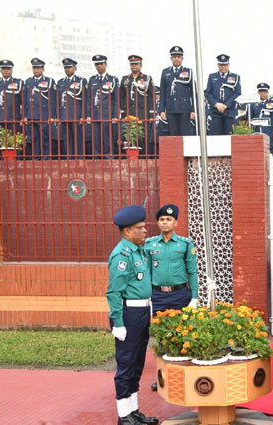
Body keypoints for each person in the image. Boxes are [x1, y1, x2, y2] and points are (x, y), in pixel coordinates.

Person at [106, 205, 158, 425]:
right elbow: (114, 291)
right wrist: (117, 322)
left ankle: (134, 411)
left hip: (142, 312)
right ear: (127, 232)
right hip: (129, 314)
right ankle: (124, 415)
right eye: (140, 228)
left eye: (144, 226)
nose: (145, 231)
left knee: (137, 363)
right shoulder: (121, 255)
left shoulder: (138, 250)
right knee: (126, 363)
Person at [145, 204, 198, 391]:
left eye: (168, 219)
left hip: (179, 295)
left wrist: (195, 297)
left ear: (175, 222)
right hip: (158, 295)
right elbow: (147, 272)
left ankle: (184, 376)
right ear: (158, 223)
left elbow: (192, 272)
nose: (165, 222)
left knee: (183, 334)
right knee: (161, 337)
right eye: (161, 219)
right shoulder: (150, 244)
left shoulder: (185, 244)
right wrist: (148, 296)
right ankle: (163, 377)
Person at [120, 55, 156, 156]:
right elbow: (121, 97)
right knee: (130, 136)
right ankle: (131, 157)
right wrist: (122, 112)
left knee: (143, 136)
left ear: (141, 65)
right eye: (132, 64)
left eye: (136, 64)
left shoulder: (146, 78)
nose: (134, 66)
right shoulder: (125, 79)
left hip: (142, 112)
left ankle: (144, 157)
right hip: (129, 112)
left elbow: (151, 96)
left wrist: (151, 113)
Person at [23, 58, 57, 159]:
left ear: (43, 69)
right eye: (34, 68)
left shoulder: (49, 81)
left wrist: (52, 115)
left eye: (38, 68)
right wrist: (25, 115)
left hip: (44, 114)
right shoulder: (28, 81)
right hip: (31, 114)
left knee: (45, 138)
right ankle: (36, 157)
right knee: (34, 138)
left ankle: (46, 158)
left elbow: (53, 99)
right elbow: (25, 100)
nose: (36, 70)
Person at [158, 46, 195, 137]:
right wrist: (162, 110)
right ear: (171, 58)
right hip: (171, 109)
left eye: (179, 57)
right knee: (173, 135)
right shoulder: (165, 72)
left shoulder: (188, 72)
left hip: (184, 109)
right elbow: (162, 93)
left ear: (182, 58)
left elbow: (194, 93)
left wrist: (194, 110)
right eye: (174, 57)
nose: (176, 59)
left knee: (184, 135)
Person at [88, 54, 120, 157]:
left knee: (107, 137)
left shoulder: (112, 79)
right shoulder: (92, 80)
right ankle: (96, 157)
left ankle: (108, 156)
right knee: (96, 137)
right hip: (95, 113)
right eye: (97, 64)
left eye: (101, 64)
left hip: (107, 113)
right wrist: (88, 114)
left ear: (106, 64)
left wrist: (115, 115)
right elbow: (89, 99)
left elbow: (116, 99)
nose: (99, 66)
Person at [57, 58, 88, 158]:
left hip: (76, 115)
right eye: (66, 68)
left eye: (69, 67)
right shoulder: (61, 82)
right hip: (64, 115)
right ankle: (68, 158)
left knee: (78, 138)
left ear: (75, 68)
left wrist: (83, 115)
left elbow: (85, 100)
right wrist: (58, 116)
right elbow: (58, 101)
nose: (67, 70)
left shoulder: (81, 81)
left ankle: (79, 157)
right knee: (66, 139)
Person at [204, 54, 240, 136]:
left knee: (230, 136)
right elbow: (208, 93)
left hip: (229, 112)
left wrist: (226, 105)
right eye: (221, 65)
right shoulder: (212, 77)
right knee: (216, 137)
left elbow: (238, 93)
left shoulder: (235, 77)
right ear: (218, 65)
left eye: (225, 64)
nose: (223, 67)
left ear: (229, 64)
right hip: (215, 112)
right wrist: (216, 104)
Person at [0, 60, 24, 138]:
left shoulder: (18, 82)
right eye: (4, 69)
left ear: (12, 70)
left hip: (14, 118)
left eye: (8, 69)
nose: (6, 70)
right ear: (0, 70)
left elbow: (24, 102)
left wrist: (23, 117)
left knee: (14, 140)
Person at [250, 83, 273, 156]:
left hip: (269, 132)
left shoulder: (272, 103)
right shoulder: (253, 104)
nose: (263, 94)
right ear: (258, 93)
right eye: (261, 92)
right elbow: (249, 117)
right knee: (257, 153)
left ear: (267, 93)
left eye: (264, 92)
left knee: (269, 153)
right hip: (256, 132)